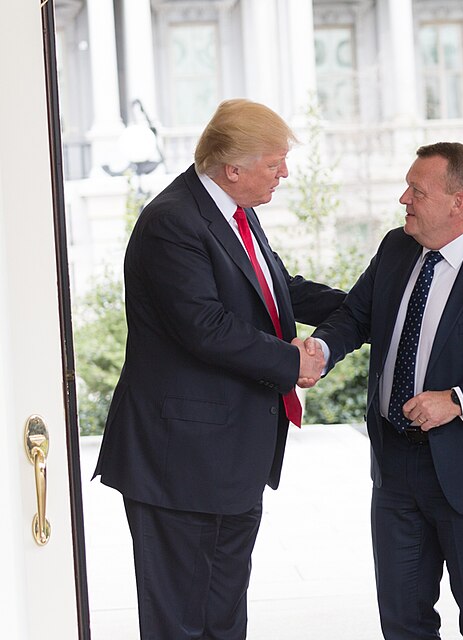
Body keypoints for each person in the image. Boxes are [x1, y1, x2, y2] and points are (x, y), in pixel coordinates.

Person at [93, 98, 345, 639]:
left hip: (229, 458)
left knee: (223, 616)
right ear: (233, 167)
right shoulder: (171, 222)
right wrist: (292, 361)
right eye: (275, 162)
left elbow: (277, 292)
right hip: (179, 462)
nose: (285, 172)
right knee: (180, 622)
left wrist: (360, 309)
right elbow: (204, 326)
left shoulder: (236, 211)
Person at [312, 142, 463, 639]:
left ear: (458, 202)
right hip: (394, 466)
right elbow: (355, 316)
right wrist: (319, 351)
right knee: (402, 620)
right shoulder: (395, 248)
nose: (404, 198)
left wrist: (457, 399)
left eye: (416, 190)